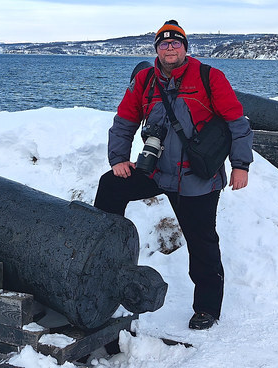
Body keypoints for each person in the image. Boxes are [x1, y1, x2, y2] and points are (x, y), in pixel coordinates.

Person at [94, 19, 253, 330]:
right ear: (157, 49)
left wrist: (241, 165)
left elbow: (237, 122)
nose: (170, 48)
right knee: (110, 185)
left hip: (198, 176)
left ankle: (207, 308)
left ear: (185, 48)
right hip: (157, 170)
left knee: (202, 241)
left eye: (175, 43)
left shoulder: (209, 77)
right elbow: (125, 121)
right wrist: (118, 159)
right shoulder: (144, 81)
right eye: (164, 43)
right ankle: (102, 259)